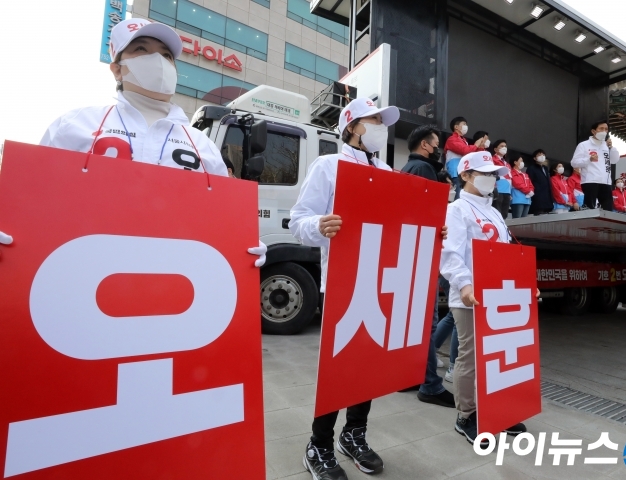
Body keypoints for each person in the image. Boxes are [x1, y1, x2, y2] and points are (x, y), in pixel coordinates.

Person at [291, 98, 447, 479]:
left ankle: (354, 433)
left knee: (369, 365)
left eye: (382, 121)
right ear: (352, 126)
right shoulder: (329, 165)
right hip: (345, 282)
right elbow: (299, 220)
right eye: (373, 120)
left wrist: (432, 231)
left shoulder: (388, 172)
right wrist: (319, 226)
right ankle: (319, 443)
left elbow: (400, 225)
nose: (380, 125)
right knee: (338, 367)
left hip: (380, 283)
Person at [38, 18, 265, 266]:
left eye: (167, 55)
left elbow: (223, 215)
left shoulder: (202, 144)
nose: (158, 61)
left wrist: (242, 242)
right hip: (82, 267)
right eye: (141, 49)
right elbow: (35, 196)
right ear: (116, 68)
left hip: (174, 276)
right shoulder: (74, 125)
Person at [440, 150, 528, 448]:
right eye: (485, 174)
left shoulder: (494, 211)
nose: (492, 179)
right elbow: (450, 253)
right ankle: (466, 414)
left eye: (494, 175)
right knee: (471, 356)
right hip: (470, 296)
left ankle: (497, 408)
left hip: (499, 294)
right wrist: (464, 285)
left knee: (497, 354)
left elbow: (505, 255)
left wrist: (525, 285)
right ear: (465, 175)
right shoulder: (457, 209)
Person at [401, 124, 456, 408]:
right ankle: (430, 385)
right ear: (426, 145)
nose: (439, 150)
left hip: (411, 253)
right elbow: (426, 213)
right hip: (423, 254)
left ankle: (412, 375)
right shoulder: (423, 171)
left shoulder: (407, 168)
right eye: (437, 144)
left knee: (414, 322)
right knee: (425, 322)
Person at [570, 121, 620, 211]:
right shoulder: (583, 145)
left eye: (606, 129)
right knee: (589, 208)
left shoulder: (607, 146)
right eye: (601, 129)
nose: (604, 131)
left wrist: (611, 147)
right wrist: (589, 159)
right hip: (590, 180)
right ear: (593, 131)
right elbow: (574, 163)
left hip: (606, 182)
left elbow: (614, 160)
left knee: (607, 209)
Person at [443, 117, 487, 201]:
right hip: (455, 172)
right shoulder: (452, 139)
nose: (466, 126)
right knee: (458, 196)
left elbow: (474, 155)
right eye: (464, 124)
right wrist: (476, 144)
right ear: (456, 127)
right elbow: (465, 150)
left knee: (464, 196)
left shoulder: (464, 141)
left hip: (463, 172)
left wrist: (481, 147)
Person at [526, 150, 553, 215]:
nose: (542, 156)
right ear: (534, 158)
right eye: (539, 155)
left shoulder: (545, 168)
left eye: (543, 155)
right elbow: (529, 182)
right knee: (538, 215)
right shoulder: (531, 168)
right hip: (537, 197)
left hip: (547, 197)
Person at [490, 140, 512, 219]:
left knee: (504, 213)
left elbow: (510, 178)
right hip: (498, 189)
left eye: (505, 146)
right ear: (495, 149)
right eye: (502, 146)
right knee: (497, 211)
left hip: (507, 191)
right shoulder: (492, 160)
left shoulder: (507, 163)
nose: (504, 148)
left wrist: (510, 192)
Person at [509, 154, 534, 219]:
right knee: (517, 219)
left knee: (524, 220)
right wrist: (528, 191)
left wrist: (531, 191)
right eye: (521, 160)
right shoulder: (512, 173)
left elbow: (530, 184)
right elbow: (518, 184)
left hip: (527, 199)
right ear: (515, 162)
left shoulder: (525, 174)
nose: (522, 162)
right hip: (517, 199)